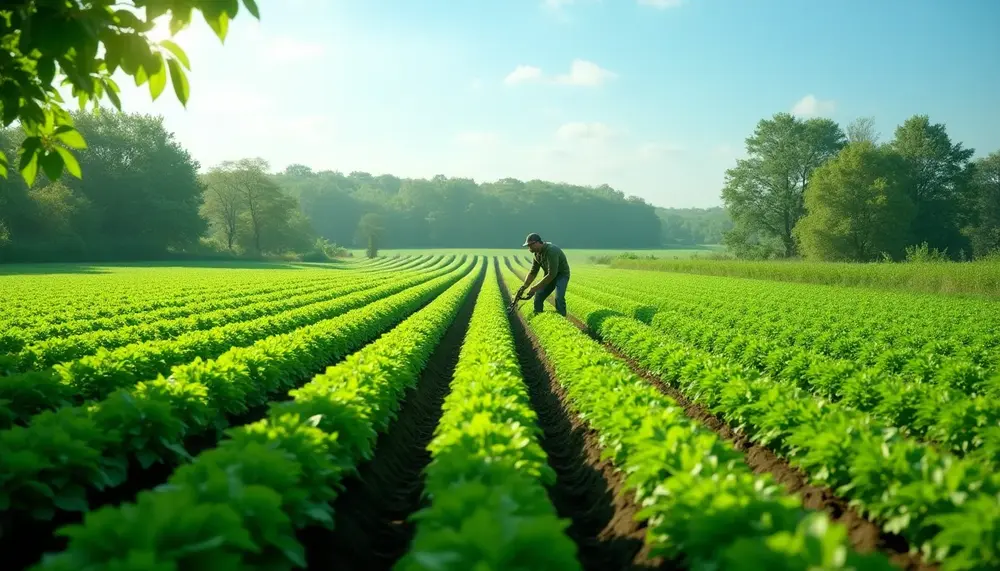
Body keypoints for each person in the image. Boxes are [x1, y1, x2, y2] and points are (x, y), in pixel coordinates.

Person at [520, 232, 571, 316]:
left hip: (561, 275)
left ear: (537, 242)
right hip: (549, 276)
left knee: (559, 298)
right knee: (539, 296)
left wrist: (534, 288)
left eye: (530, 245)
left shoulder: (551, 251)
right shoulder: (536, 254)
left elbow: (552, 274)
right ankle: (538, 316)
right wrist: (524, 286)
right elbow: (533, 272)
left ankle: (562, 319)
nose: (529, 248)